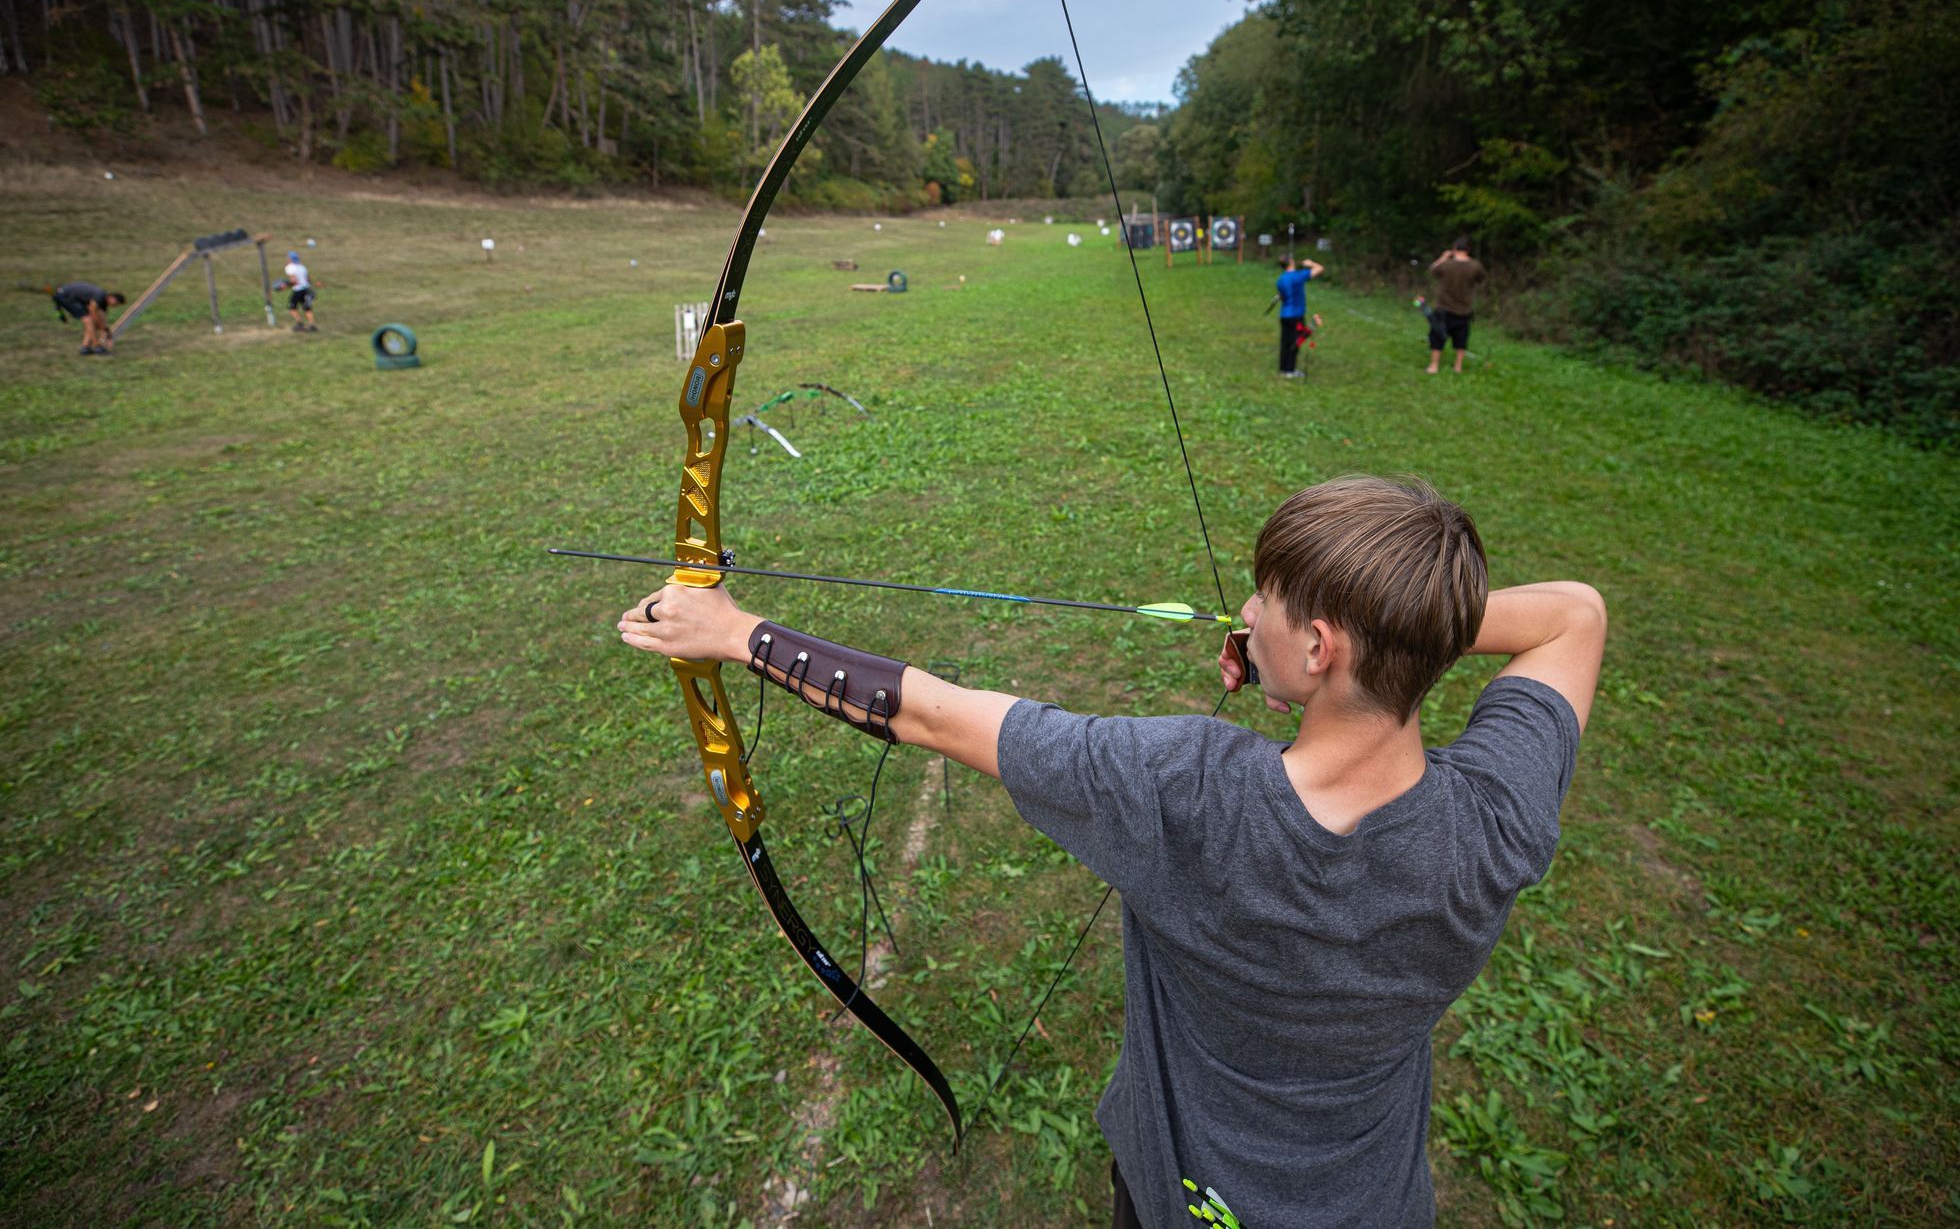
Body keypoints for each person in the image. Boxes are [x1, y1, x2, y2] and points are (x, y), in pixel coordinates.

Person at [619, 474, 1606, 1229]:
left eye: (1263, 599)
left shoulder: (1182, 790)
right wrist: (1395, 629)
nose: (1244, 612)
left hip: (1188, 1199)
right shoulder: (1497, 817)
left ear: (1317, 646)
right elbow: (1572, 613)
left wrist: (735, 631)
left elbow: (927, 713)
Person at [1425, 237, 1486, 374]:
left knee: (1437, 336)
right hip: (1464, 310)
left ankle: (1434, 366)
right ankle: (1457, 367)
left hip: (1443, 308)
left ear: (1454, 249)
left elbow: (1432, 270)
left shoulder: (1446, 264)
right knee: (1461, 338)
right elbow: (1481, 278)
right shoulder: (1475, 265)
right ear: (1468, 250)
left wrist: (1443, 257)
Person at [1274, 254, 1324, 378]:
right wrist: (1310, 263)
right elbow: (1320, 268)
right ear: (1290, 262)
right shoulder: (1298, 276)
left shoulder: (1281, 279)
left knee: (1285, 342)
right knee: (1295, 342)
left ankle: (1284, 368)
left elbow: (1282, 296)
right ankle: (1290, 370)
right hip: (1295, 315)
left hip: (1284, 315)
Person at [51, 282, 126, 355]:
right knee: (89, 320)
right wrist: (102, 330)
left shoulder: (103, 303)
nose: (114, 306)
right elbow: (92, 311)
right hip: (65, 296)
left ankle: (85, 348)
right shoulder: (100, 295)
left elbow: (102, 318)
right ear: (111, 298)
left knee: (92, 322)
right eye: (115, 303)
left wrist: (107, 333)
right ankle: (97, 347)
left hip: (72, 298)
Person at [283, 251, 318, 332]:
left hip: (298, 289)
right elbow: (308, 279)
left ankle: (300, 323)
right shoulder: (302, 267)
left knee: (291, 307)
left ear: (290, 259)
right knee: (307, 307)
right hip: (307, 288)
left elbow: (294, 280)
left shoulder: (289, 267)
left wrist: (285, 285)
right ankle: (312, 325)